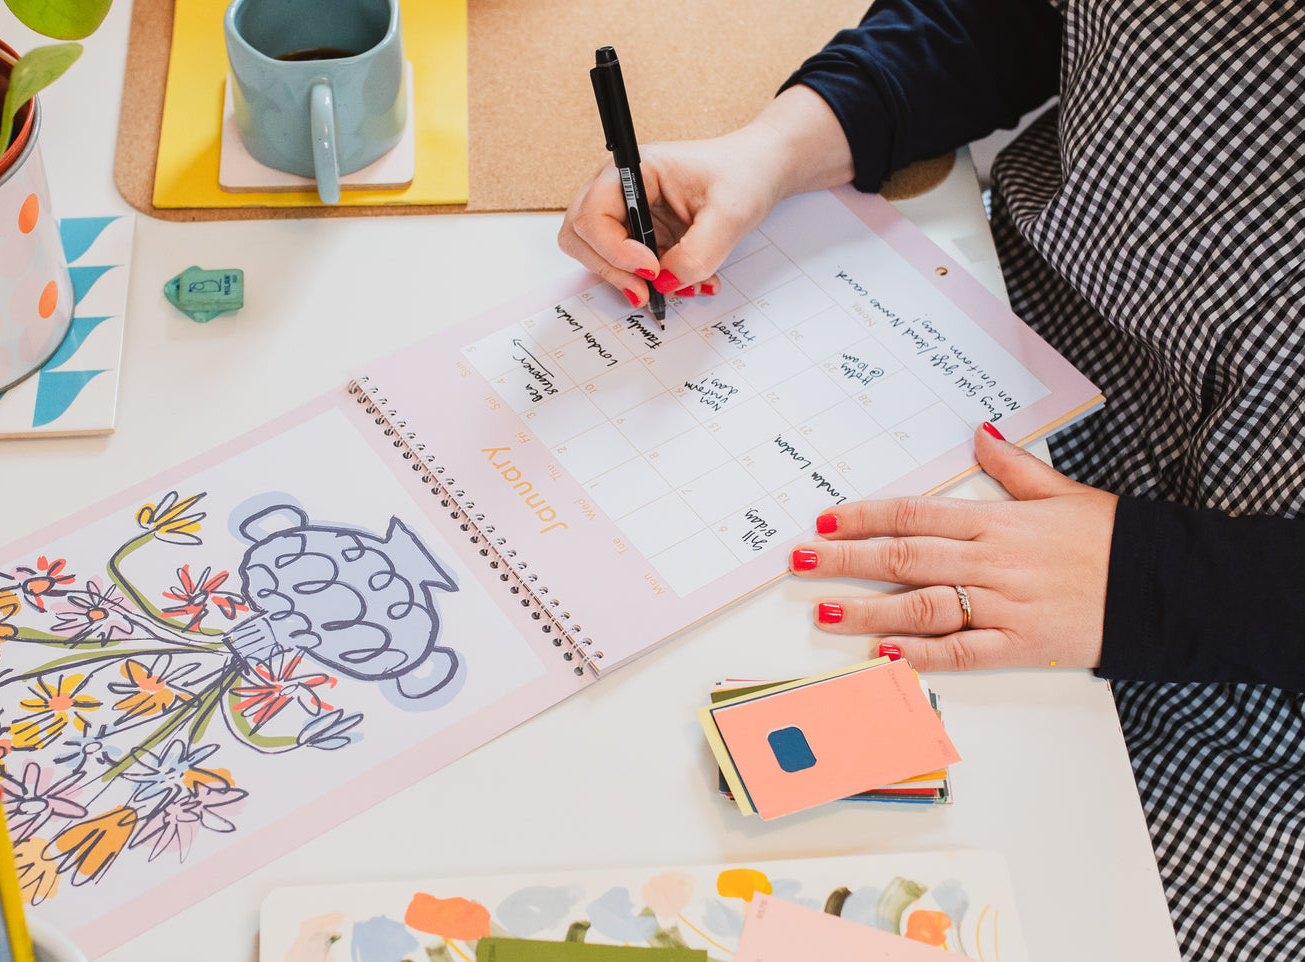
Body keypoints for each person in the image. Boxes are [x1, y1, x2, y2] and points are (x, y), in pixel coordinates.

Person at [558, 1, 1305, 958]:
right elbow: (1012, 17)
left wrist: (1164, 584)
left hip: (1250, 687)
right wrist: (780, 146)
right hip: (996, 348)